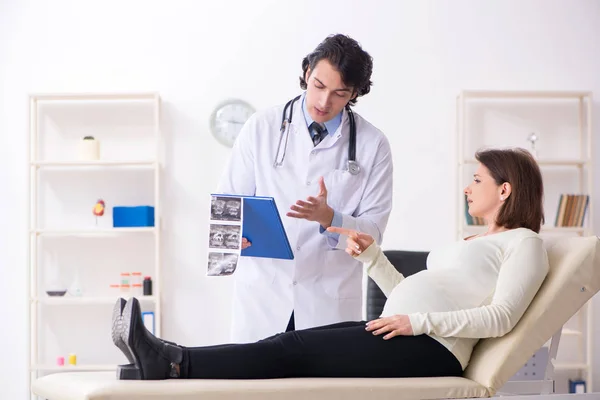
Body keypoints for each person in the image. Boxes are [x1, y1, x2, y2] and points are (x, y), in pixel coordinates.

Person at [112, 147, 549, 381]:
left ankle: (170, 363)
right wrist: (372, 257)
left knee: (289, 351)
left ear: (506, 189)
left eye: (477, 180)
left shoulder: (524, 244)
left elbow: (502, 317)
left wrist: (418, 322)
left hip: (432, 348)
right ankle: (162, 358)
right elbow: (404, 294)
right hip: (409, 332)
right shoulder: (472, 241)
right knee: (286, 343)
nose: (468, 189)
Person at [216, 34, 394, 343]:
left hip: (328, 302)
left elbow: (373, 235)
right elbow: (226, 206)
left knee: (322, 391)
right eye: (319, 86)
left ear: (355, 93)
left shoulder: (372, 144)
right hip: (263, 297)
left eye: (340, 94)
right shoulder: (261, 127)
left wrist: (331, 219)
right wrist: (233, 240)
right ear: (307, 72)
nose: (325, 102)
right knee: (255, 389)